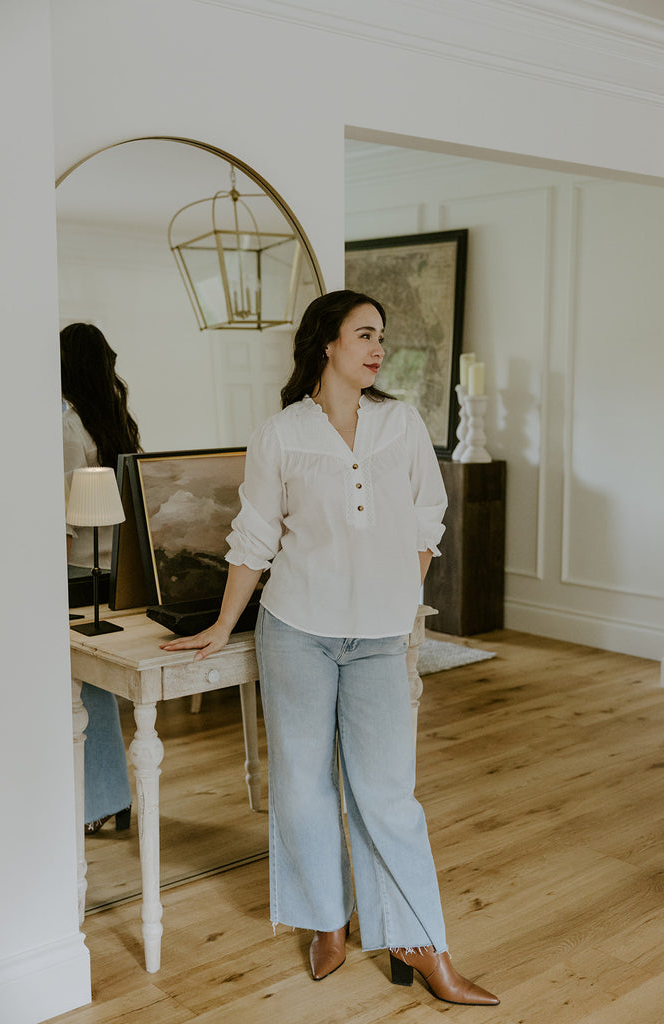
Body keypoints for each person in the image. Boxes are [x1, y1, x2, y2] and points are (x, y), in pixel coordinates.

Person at [160, 291, 499, 1006]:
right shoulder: (281, 433)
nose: (377, 348)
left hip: (378, 640)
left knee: (388, 797)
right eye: (363, 334)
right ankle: (325, 921)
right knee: (304, 788)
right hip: (297, 632)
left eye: (381, 335)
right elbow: (253, 539)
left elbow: (426, 518)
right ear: (326, 344)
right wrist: (225, 625)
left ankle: (420, 942)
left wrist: (392, 595)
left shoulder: (398, 424)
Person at [62, 322, 141, 835]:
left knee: (81, 690)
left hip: (77, 569)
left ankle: (103, 800)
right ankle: (111, 798)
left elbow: (65, 515)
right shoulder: (116, 422)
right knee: (95, 687)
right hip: (116, 571)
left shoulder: (68, 426)